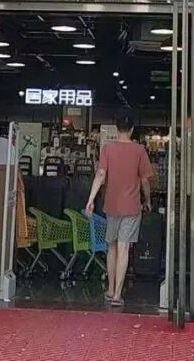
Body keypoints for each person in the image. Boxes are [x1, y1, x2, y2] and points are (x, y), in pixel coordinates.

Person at [85, 113, 152, 307]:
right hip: (131, 207)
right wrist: (148, 200)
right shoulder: (139, 150)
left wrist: (91, 199)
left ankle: (110, 289)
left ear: (116, 128)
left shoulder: (108, 149)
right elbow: (145, 180)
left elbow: (100, 174)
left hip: (112, 206)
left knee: (111, 247)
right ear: (132, 129)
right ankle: (117, 295)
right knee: (124, 248)